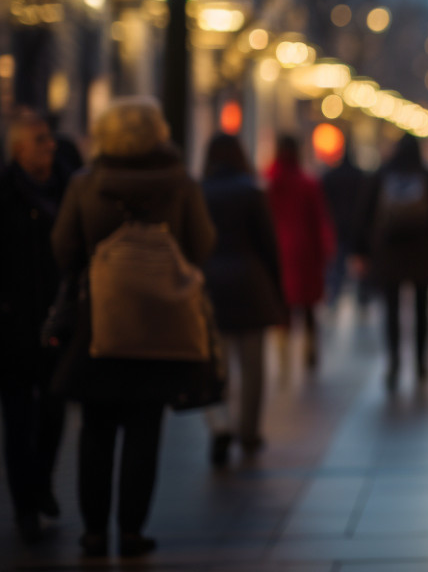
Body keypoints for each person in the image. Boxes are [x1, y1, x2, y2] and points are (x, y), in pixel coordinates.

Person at [50, 97, 216, 558]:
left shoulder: (85, 184)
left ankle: (94, 531)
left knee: (96, 429)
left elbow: (63, 248)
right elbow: (202, 244)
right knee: (146, 430)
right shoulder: (180, 184)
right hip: (162, 326)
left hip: (99, 325)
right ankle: (132, 530)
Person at [0, 110, 70, 544]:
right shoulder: (5, 194)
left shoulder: (66, 187)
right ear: (20, 148)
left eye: (49, 139)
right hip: (12, 323)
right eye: (41, 140)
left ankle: (42, 481)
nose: (50, 146)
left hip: (56, 317)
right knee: (17, 417)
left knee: (55, 408)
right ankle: (25, 505)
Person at [200, 134, 285, 466]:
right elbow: (268, 246)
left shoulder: (199, 191)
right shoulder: (251, 190)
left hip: (210, 285)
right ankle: (249, 431)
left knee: (214, 365)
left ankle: (220, 424)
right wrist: (277, 294)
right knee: (252, 367)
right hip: (251, 284)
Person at [355, 135, 428, 387]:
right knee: (422, 309)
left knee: (392, 310)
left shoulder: (382, 174)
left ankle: (394, 362)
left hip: (389, 253)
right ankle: (421, 363)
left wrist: (361, 251)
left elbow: (365, 213)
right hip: (423, 253)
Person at [265, 135, 334, 370]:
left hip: (276, 252)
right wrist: (325, 251)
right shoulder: (308, 183)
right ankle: (310, 350)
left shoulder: (269, 182)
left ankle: (283, 358)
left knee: (282, 307)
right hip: (305, 252)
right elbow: (319, 220)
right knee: (308, 307)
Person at [320, 144, 367, 308]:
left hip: (336, 225)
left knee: (337, 264)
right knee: (359, 265)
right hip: (355, 224)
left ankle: (334, 294)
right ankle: (362, 297)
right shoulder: (360, 176)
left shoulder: (330, 176)